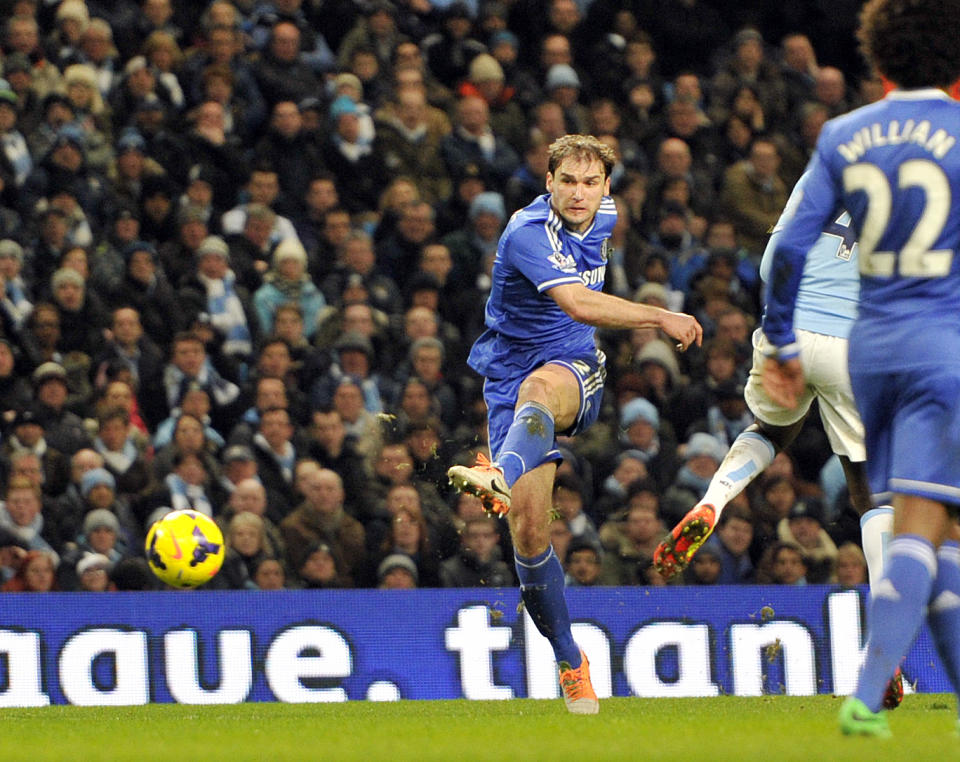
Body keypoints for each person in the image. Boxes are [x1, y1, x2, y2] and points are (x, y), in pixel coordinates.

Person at [758, 0, 960, 736]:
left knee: (914, 521)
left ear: (879, 63)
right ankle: (875, 685)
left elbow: (786, 252)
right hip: (944, 345)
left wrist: (779, 342)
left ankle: (872, 687)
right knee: (941, 530)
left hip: (871, 348)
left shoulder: (845, 134)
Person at [447, 134, 701, 714]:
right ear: (549, 183)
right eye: (568, 182)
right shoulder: (526, 233)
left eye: (591, 182)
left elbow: (584, 316)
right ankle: (570, 660)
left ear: (606, 187)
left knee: (541, 389)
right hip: (507, 381)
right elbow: (581, 303)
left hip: (573, 369)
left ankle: (497, 474)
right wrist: (661, 314)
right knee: (531, 536)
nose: (580, 194)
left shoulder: (606, 215)